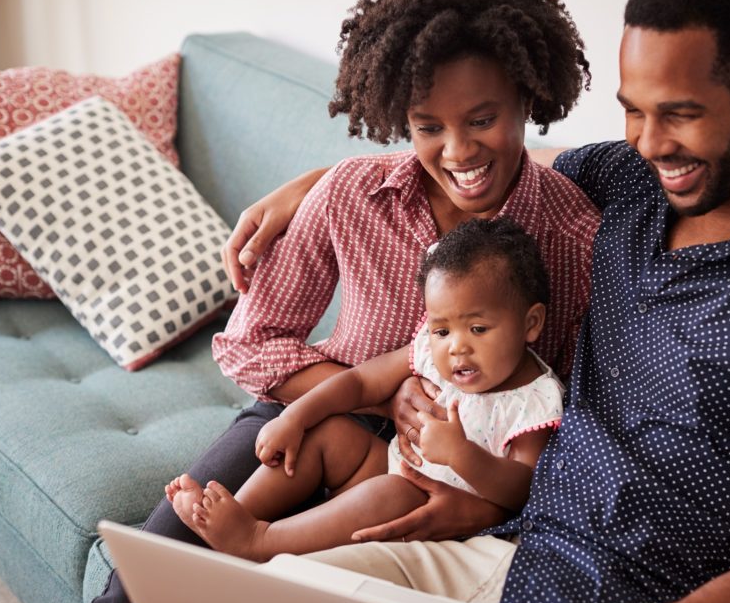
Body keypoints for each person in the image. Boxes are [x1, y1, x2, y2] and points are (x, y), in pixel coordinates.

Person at [103, 0, 730, 603]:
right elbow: (493, 157)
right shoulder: (637, 185)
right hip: (501, 550)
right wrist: (325, 182)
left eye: (678, 114)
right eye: (632, 113)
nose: (646, 142)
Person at [59, 0, 601, 603]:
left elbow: (580, 416)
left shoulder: (573, 234)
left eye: (483, 119)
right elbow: (253, 339)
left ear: (527, 97)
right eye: (428, 125)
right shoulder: (351, 194)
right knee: (148, 569)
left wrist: (488, 499)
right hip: (312, 414)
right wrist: (378, 393)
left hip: (461, 466)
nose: (458, 149)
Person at [169, 219, 564, 560]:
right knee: (331, 434)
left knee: (395, 492)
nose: (456, 346)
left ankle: (257, 540)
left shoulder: (534, 400)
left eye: (478, 329)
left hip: (436, 511)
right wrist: (295, 417)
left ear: (531, 323)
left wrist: (463, 455)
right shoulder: (431, 349)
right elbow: (360, 381)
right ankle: (233, 517)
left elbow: (521, 489)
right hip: (393, 467)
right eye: (442, 329)